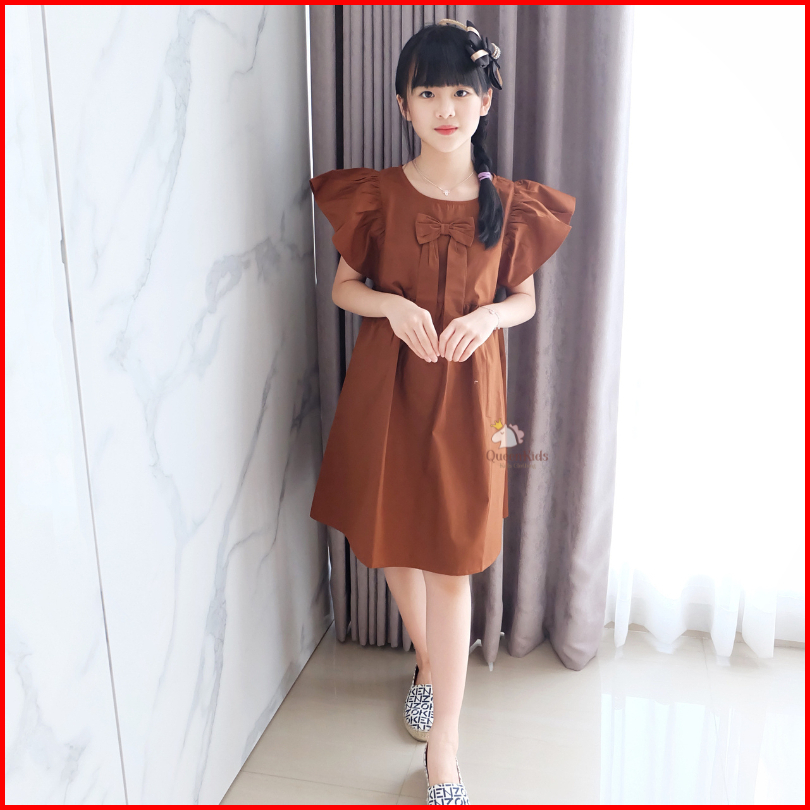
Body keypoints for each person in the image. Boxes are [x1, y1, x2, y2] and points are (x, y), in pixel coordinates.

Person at [309, 18, 576, 806]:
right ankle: (430, 660)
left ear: (486, 101)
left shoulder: (510, 205)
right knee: (389, 539)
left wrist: (488, 317)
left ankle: (446, 744)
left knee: (453, 560)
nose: (446, 107)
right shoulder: (378, 196)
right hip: (387, 387)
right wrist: (390, 307)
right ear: (403, 104)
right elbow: (343, 288)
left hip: (467, 397)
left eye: (462, 90)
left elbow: (524, 300)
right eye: (428, 92)